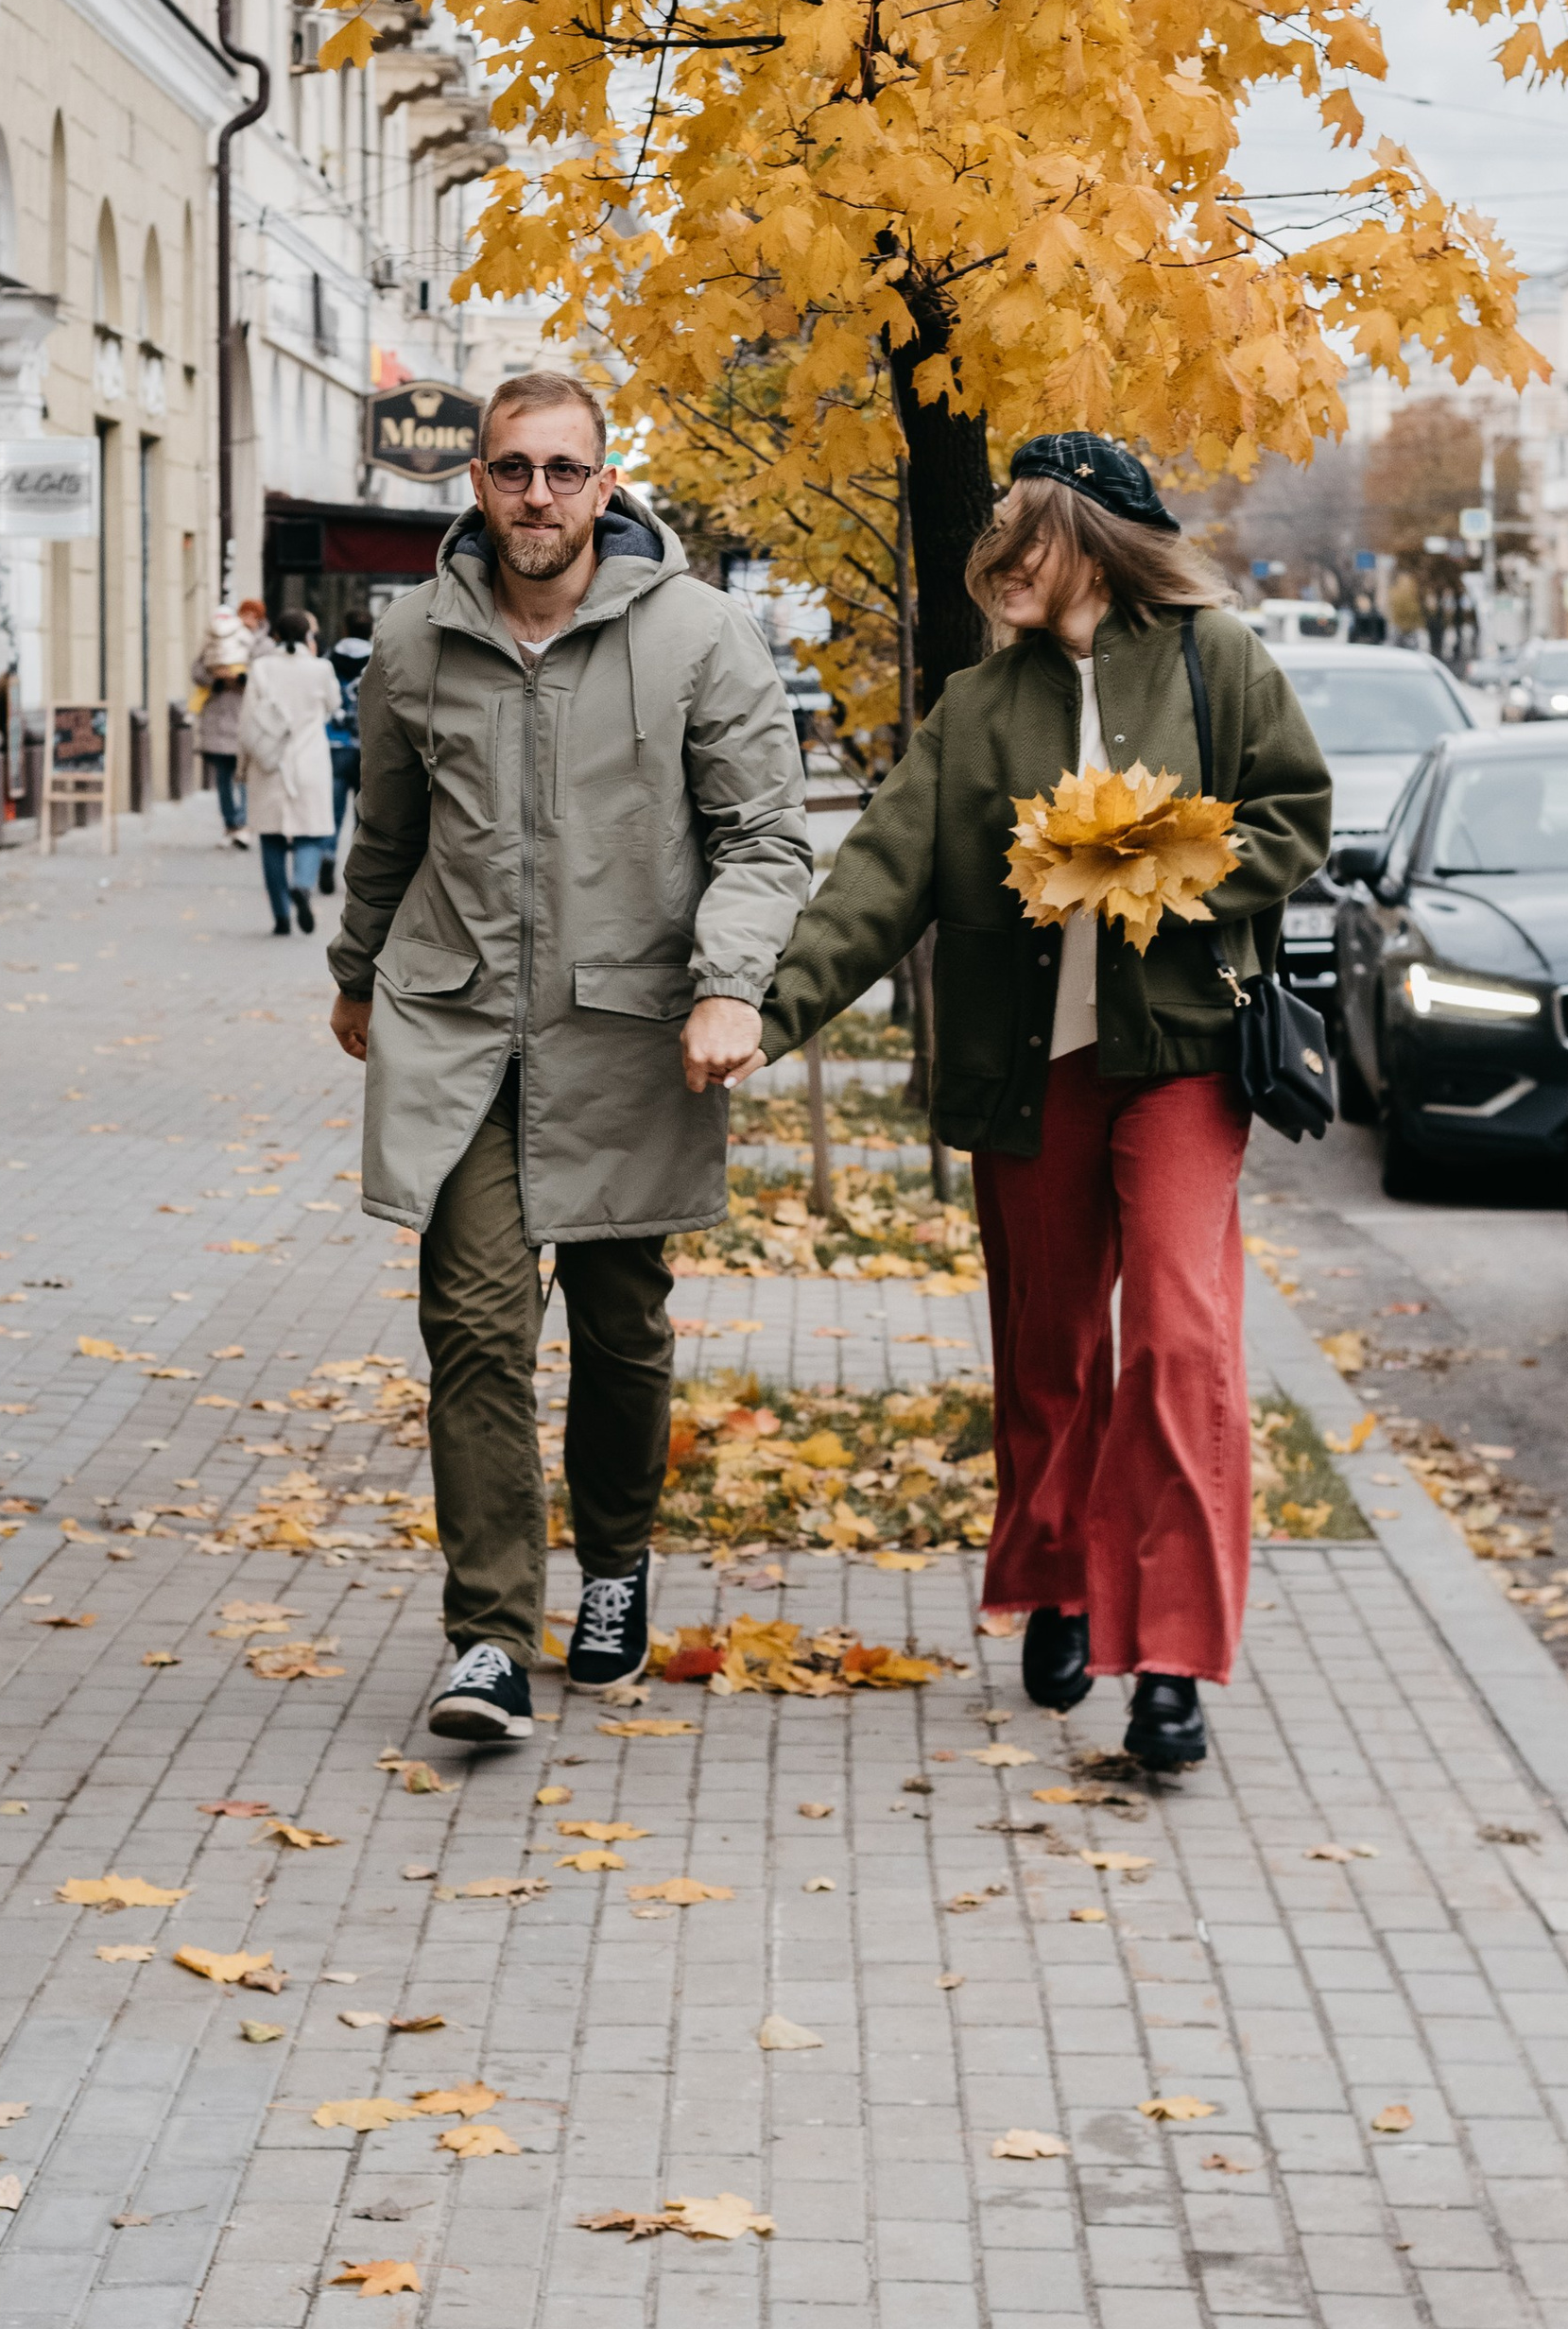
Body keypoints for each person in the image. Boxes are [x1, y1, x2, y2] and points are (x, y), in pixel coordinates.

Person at [756, 434, 1332, 1772]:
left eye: (1024, 533)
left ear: (1088, 535)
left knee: (1182, 1341)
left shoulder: (1214, 655)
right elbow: (879, 872)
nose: (998, 560)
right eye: (994, 537)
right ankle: (1062, 1576)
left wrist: (1167, 855)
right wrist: (764, 1012)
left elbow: (1297, 814)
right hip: (1036, 1064)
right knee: (1052, 1345)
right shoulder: (978, 705)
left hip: (1181, 1051)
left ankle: (1173, 1657)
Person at [327, 371, 809, 1747]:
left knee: (620, 1329)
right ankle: (486, 1635)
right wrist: (358, 970)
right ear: (474, 481)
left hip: (630, 1036)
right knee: (474, 1327)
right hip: (461, 1030)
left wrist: (728, 986)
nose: (536, 492)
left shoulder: (702, 637)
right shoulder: (416, 643)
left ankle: (614, 1567)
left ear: (605, 485)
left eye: (562, 469)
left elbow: (767, 839)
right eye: (511, 467)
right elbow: (389, 831)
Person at [241, 610, 341, 934]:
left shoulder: (261, 668)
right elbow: (333, 705)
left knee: (271, 838)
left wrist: (244, 765)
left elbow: (247, 722)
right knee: (310, 833)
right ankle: (301, 883)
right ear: (308, 637)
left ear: (276, 637)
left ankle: (281, 916)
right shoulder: (320, 668)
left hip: (270, 762)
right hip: (310, 760)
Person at [193, 598, 270, 846]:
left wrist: (241, 678)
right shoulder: (218, 641)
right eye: (243, 613)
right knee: (223, 777)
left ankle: (244, 824)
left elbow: (266, 677)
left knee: (245, 775)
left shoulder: (264, 645)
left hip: (247, 717)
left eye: (252, 615)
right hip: (217, 718)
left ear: (259, 619)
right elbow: (197, 670)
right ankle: (231, 824)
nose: (247, 619)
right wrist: (215, 678)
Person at [319, 608, 375, 897]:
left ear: (344, 629)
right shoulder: (378, 657)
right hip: (368, 746)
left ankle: (327, 856)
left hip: (335, 743)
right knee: (363, 813)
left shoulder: (329, 659)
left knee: (333, 809)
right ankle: (357, 870)